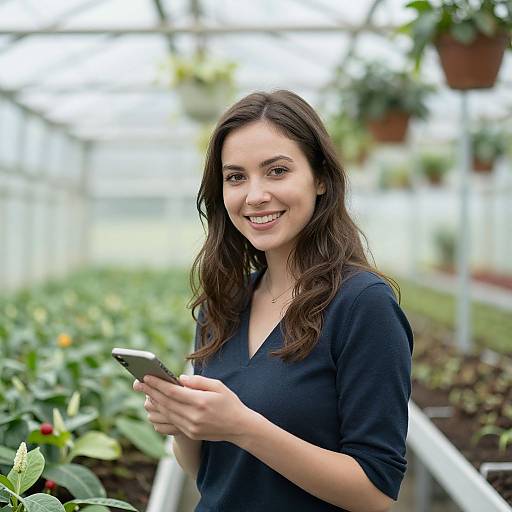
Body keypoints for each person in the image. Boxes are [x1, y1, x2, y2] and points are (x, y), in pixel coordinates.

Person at [133, 90, 413, 512]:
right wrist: (184, 424)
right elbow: (207, 471)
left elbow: (375, 492)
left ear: (320, 178)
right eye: (235, 177)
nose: (255, 195)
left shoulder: (362, 306)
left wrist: (244, 427)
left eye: (277, 171)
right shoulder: (223, 303)